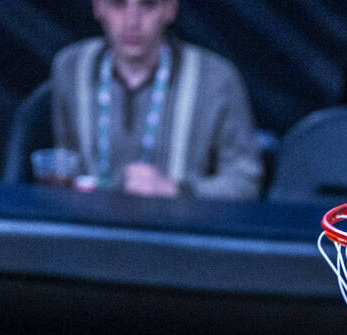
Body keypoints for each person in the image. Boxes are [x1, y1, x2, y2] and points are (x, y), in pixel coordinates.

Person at [50, 0, 262, 198]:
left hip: (180, 228)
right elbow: (65, 160)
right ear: (98, 6)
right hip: (90, 227)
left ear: (170, 9)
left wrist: (178, 190)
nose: (132, 22)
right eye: (118, 4)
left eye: (148, 4)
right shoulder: (71, 67)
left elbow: (246, 180)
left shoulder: (216, 77)